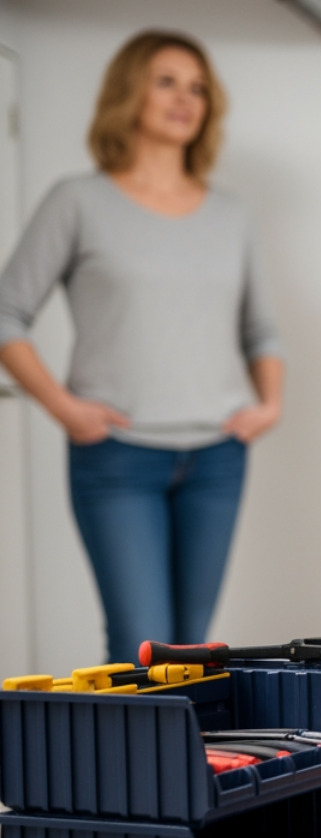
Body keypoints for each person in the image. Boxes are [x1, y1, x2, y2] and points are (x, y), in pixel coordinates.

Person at [0, 30, 282, 664]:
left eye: (198, 88)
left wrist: (269, 405)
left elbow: (261, 329)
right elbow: (7, 314)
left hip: (217, 457)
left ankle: (184, 741)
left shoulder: (229, 214)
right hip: (117, 457)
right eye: (167, 82)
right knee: (141, 644)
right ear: (129, 93)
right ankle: (131, 740)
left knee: (193, 648)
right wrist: (65, 408)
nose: (185, 98)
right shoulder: (78, 201)